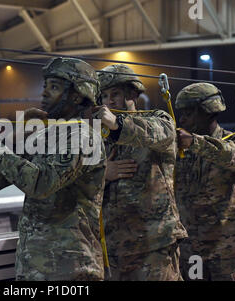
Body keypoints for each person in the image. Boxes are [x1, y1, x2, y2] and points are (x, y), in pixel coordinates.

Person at [0, 57, 106, 280]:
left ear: (77, 95)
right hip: (35, 266)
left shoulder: (82, 136)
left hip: (71, 269)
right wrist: (12, 136)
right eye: (45, 86)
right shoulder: (45, 135)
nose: (44, 93)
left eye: (54, 87)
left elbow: (40, 184)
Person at [95, 64, 187, 280]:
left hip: (153, 242)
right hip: (114, 243)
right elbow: (80, 177)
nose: (109, 101)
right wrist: (102, 173)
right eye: (105, 96)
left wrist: (117, 124)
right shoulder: (99, 135)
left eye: (115, 94)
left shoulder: (158, 119)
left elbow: (160, 134)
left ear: (133, 94)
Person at [175, 82, 235, 281]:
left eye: (189, 113)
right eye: (182, 114)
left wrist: (194, 142)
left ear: (209, 112)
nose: (182, 119)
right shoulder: (180, 148)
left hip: (229, 250)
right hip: (192, 250)